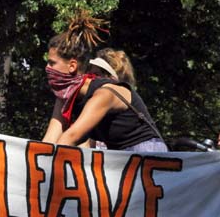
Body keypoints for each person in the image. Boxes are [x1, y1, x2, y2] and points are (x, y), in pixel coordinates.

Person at [56, 46, 166, 152]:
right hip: (122, 155)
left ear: (110, 79)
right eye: (89, 73)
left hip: (144, 153)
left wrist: (48, 160)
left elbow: (71, 136)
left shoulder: (106, 94)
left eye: (96, 74)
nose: (90, 78)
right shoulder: (92, 105)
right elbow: (86, 144)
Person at [40, 11, 105, 145]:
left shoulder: (101, 92)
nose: (47, 68)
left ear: (72, 66)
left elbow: (71, 138)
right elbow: (50, 141)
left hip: (142, 156)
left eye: (52, 63)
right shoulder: (64, 97)